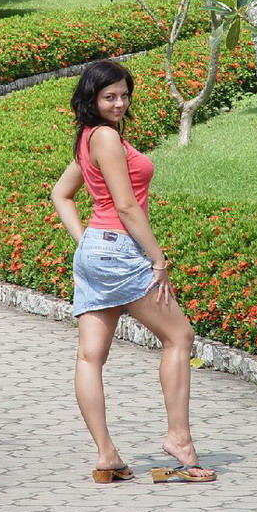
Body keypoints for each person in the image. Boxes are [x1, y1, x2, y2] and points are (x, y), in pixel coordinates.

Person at [51, 59, 216, 484]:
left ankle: (107, 455)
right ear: (91, 98)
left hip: (95, 251)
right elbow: (125, 206)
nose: (119, 103)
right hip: (121, 251)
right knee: (179, 337)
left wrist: (86, 241)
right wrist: (158, 259)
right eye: (109, 96)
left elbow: (61, 194)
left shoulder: (88, 136)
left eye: (124, 95)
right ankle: (179, 440)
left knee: (90, 356)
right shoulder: (105, 137)